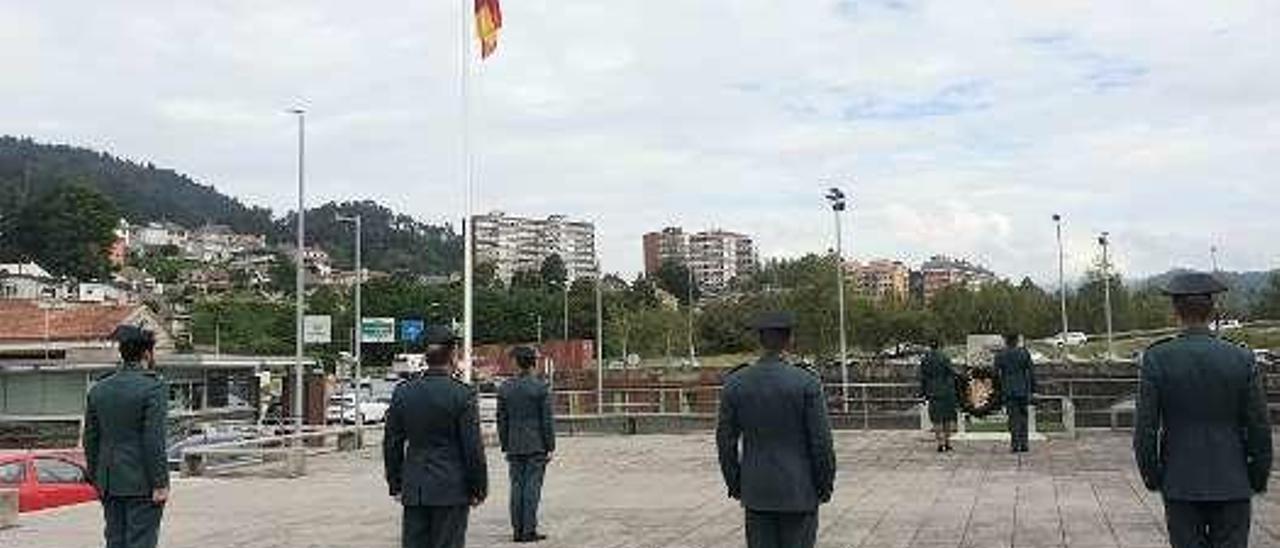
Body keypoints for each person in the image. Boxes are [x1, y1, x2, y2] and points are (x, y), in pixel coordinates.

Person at [1133, 271, 1271, 548]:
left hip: (1180, 481)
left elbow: (1146, 428)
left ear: (1176, 311)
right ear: (1213, 310)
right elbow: (1258, 424)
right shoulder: (1240, 357)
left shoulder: (1157, 357)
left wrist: (1153, 475)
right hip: (1233, 480)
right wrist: (1257, 476)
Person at [716, 312, 837, 548]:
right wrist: (824, 486)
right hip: (800, 491)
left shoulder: (736, 383)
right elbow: (821, 443)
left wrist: (736, 484)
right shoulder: (806, 381)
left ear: (759, 340)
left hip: (757, 491)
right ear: (790, 339)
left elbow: (725, 442)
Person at [384, 325, 488, 548]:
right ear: (452, 354)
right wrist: (478, 488)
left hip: (415, 488)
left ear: (426, 356)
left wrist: (396, 484)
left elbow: (392, 443)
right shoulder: (462, 394)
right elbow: (472, 448)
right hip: (452, 487)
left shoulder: (403, 392)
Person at [83, 325, 170, 548]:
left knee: (115, 540)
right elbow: (153, 439)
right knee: (141, 541)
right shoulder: (153, 387)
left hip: (109, 480)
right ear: (147, 354)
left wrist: (97, 477)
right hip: (141, 481)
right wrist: (160, 482)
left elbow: (90, 439)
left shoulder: (99, 388)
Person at [497, 346, 556, 543]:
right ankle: (528, 530)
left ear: (517, 362)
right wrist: (550, 446)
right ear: (533, 363)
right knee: (532, 488)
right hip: (536, 444)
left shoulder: (505, 388)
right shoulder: (540, 387)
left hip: (514, 445)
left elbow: (501, 420)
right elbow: (546, 421)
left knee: (516, 487)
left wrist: (505, 444)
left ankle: (517, 530)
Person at [994, 333, 1036, 453]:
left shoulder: (1000, 355)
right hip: (1023, 389)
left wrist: (998, 389)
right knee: (1023, 417)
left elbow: (995, 374)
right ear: (1017, 341)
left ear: (1006, 341)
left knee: (1013, 418)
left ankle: (1014, 444)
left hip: (1008, 389)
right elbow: (1031, 372)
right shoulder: (1024, 353)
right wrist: (1033, 389)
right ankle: (1024, 443)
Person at [919, 339, 959, 453]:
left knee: (937, 420)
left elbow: (923, 378)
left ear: (929, 347)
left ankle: (940, 444)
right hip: (947, 392)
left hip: (933, 392)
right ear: (940, 346)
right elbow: (952, 372)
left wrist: (922, 393)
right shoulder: (945, 357)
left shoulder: (925, 360)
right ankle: (947, 443)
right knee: (947, 418)